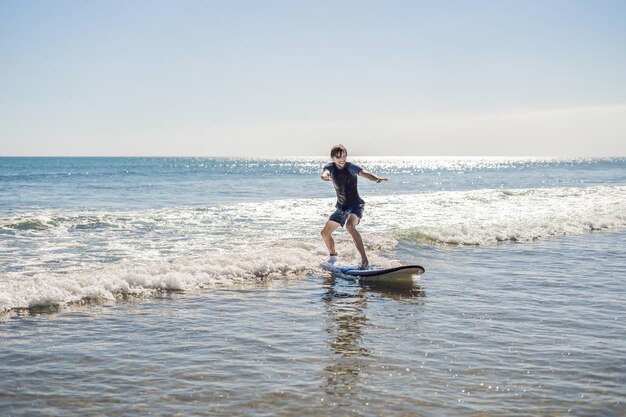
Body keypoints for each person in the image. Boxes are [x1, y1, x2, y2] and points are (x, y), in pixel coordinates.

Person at [321, 144, 387, 269]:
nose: (342, 158)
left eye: (344, 155)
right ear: (332, 157)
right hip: (341, 207)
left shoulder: (350, 167)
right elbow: (326, 172)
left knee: (350, 226)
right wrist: (324, 176)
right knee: (325, 233)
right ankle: (333, 256)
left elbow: (364, 173)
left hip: (355, 205)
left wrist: (376, 178)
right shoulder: (330, 167)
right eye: (339, 156)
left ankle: (364, 260)